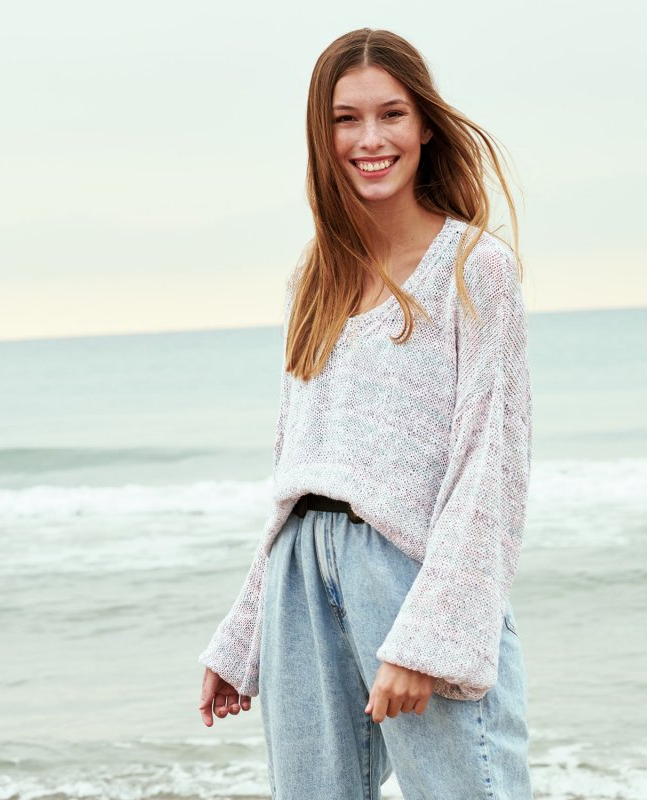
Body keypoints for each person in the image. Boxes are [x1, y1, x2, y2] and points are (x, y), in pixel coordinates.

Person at [197, 27, 534, 800]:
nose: (370, 139)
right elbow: (297, 470)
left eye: (391, 114)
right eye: (346, 119)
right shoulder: (313, 280)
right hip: (298, 580)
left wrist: (429, 639)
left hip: (411, 575)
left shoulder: (476, 268)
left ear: (425, 126)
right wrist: (244, 633)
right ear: (322, 137)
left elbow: (490, 466)